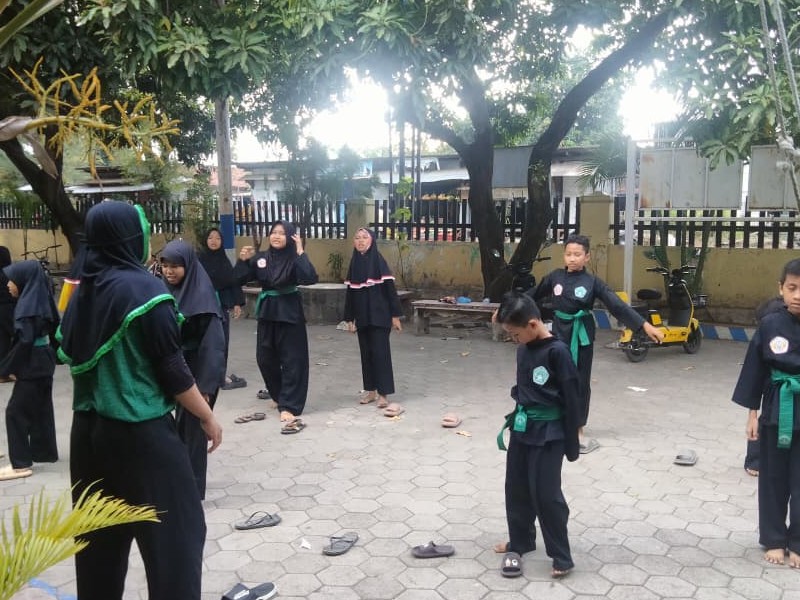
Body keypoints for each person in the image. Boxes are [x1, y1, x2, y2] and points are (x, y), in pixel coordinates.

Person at [57, 201, 222, 600]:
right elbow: (173, 369)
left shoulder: (81, 292)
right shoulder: (145, 290)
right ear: (130, 237)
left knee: (99, 546)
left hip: (87, 438)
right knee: (177, 539)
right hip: (142, 434)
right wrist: (206, 416)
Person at [528, 234, 664, 452]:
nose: (572, 258)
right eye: (568, 254)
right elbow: (531, 296)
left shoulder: (592, 282)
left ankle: (577, 428)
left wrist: (644, 325)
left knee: (579, 382)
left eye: (577, 254)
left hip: (581, 336)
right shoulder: (554, 277)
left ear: (587, 257)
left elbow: (617, 306)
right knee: (553, 378)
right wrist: (506, 309)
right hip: (558, 335)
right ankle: (554, 422)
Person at [494, 291, 581, 579]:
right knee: (516, 488)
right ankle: (520, 542)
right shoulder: (523, 349)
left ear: (532, 325)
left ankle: (562, 556)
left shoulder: (558, 352)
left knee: (546, 495)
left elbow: (573, 400)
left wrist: (572, 443)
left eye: (515, 333)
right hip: (522, 429)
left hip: (549, 435)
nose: (513, 339)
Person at [733, 258, 800, 568]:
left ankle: (797, 541)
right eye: (792, 288)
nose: (798, 295)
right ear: (781, 288)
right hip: (777, 408)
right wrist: (752, 414)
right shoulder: (770, 324)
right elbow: (755, 370)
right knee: (772, 477)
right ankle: (774, 538)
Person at [234, 220, 318, 433]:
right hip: (268, 313)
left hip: (289, 313)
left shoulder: (295, 258)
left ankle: (289, 405)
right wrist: (243, 261)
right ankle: (279, 394)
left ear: (290, 237)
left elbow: (309, 278)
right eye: (274, 232)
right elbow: (239, 279)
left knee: (292, 361)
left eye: (282, 233)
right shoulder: (262, 258)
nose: (277, 236)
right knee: (265, 358)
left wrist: (300, 252)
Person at [161, 239, 226, 499]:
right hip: (174, 372)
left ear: (188, 266)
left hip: (198, 376)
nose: (169, 271)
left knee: (193, 432)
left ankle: (192, 490)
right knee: (176, 431)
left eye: (175, 266)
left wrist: (206, 388)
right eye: (165, 265)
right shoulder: (164, 292)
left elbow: (213, 348)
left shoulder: (203, 300)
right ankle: (179, 482)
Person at [0, 260, 59, 481]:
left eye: (12, 281)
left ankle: (20, 464)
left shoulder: (27, 309)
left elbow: (24, 342)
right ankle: (44, 452)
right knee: (41, 408)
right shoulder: (41, 303)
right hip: (44, 360)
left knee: (15, 412)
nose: (8, 285)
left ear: (24, 281)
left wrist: (6, 368)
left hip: (33, 363)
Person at [343, 227, 403, 409]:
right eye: (357, 237)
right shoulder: (354, 263)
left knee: (380, 354)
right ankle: (371, 391)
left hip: (380, 316)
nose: (360, 240)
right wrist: (349, 319)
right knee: (366, 354)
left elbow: (390, 291)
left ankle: (383, 394)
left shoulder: (379, 261)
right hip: (362, 317)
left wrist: (395, 316)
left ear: (372, 240)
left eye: (364, 237)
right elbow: (350, 294)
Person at [197, 227, 248, 391]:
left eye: (217, 238)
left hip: (221, 307)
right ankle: (202, 376)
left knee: (222, 341)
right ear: (205, 240)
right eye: (210, 237)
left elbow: (232, 281)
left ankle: (220, 376)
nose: (214, 241)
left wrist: (237, 303)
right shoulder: (199, 260)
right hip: (202, 307)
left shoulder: (224, 261)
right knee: (202, 342)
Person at [0, 246, 17, 373]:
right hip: (7, 308)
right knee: (17, 337)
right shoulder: (8, 274)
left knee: (3, 339)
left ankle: (4, 371)